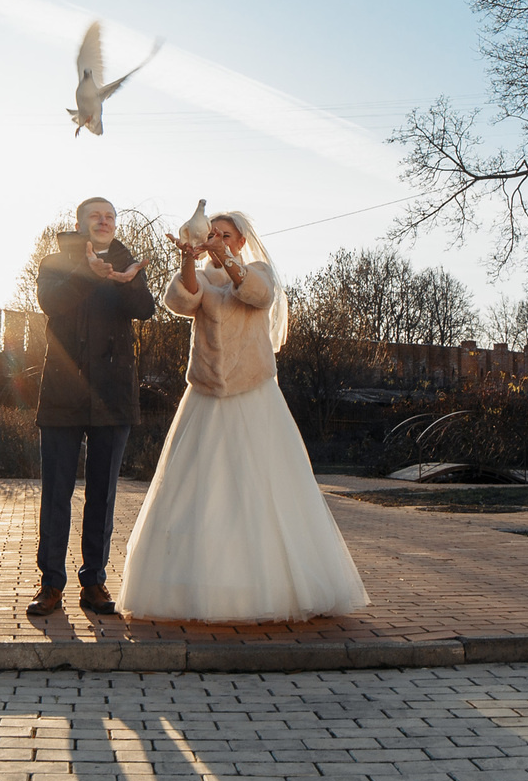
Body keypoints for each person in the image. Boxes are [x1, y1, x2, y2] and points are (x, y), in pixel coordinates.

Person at [119, 210, 368, 622]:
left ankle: (267, 588)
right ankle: (193, 586)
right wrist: (187, 259)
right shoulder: (203, 274)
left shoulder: (258, 270)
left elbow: (255, 295)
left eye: (225, 235)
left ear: (239, 240)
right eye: (211, 234)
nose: (216, 239)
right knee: (199, 491)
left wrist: (224, 257)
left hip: (253, 393)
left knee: (259, 488)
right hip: (204, 395)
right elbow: (181, 301)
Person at [28, 196, 156, 618]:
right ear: (81, 224)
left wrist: (127, 280)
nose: (104, 221)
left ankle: (94, 582)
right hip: (64, 392)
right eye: (95, 216)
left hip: (113, 397)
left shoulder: (127, 262)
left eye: (110, 216)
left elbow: (146, 309)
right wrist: (88, 272)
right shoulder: (55, 262)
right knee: (56, 495)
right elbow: (52, 303)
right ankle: (50, 585)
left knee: (102, 495)